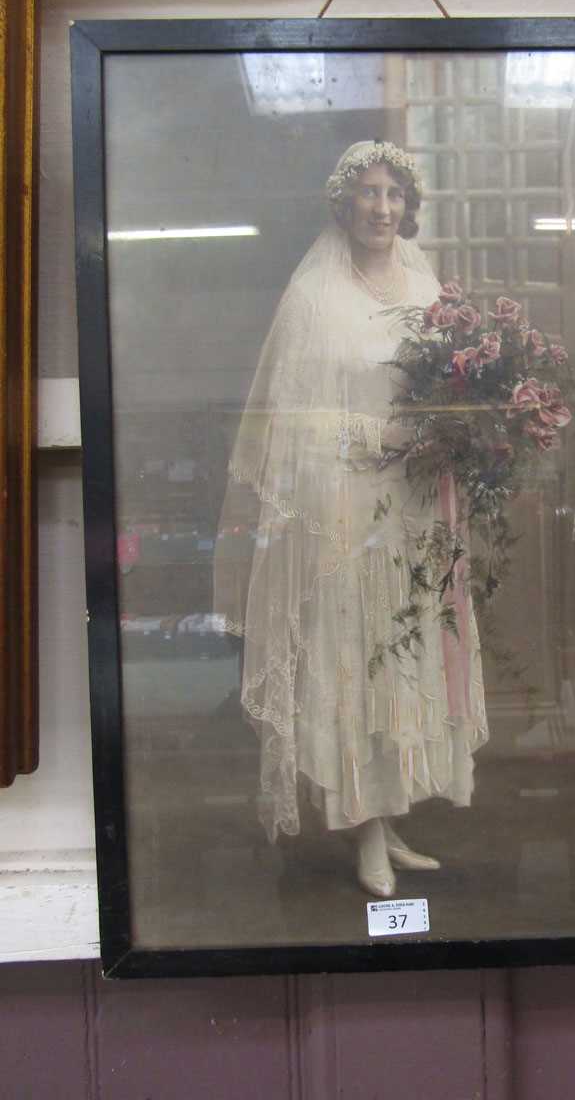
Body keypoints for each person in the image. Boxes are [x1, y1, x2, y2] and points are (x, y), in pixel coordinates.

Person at [214, 140, 488, 898]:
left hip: (412, 507)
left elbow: (446, 388)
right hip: (341, 513)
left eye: (394, 193)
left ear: (410, 204)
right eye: (368, 193)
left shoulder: (425, 280)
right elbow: (291, 422)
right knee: (355, 657)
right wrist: (377, 437)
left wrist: (453, 431)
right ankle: (363, 826)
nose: (382, 208)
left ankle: (391, 818)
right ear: (344, 203)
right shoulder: (314, 301)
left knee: (406, 658)